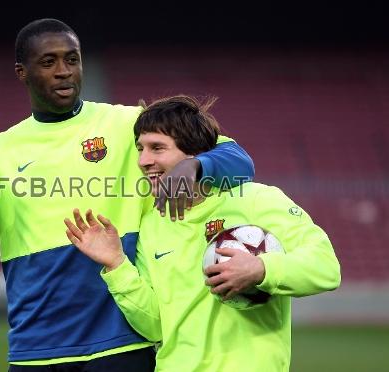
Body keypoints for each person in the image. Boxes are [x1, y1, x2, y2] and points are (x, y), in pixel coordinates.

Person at [0, 19, 255, 371]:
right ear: (22, 72)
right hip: (36, 351)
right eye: (48, 62)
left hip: (126, 345)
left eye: (72, 60)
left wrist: (193, 168)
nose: (64, 72)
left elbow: (240, 163)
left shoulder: (130, 126)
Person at [65, 95, 341, 371]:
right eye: (140, 148)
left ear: (192, 157)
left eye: (157, 148)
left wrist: (261, 269)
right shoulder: (152, 225)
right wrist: (116, 264)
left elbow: (325, 267)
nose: (143, 160)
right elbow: (155, 326)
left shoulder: (257, 199)